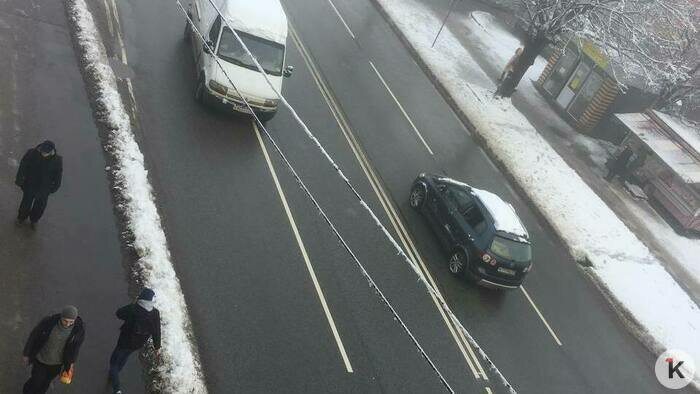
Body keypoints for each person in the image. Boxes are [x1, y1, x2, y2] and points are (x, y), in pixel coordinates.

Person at [22, 306, 85, 394]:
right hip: (41, 359)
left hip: (56, 365)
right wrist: (26, 353)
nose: (67, 324)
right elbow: (34, 336)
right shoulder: (49, 322)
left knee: (45, 383)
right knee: (36, 382)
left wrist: (70, 364)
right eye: (65, 321)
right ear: (61, 317)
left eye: (71, 322)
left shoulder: (78, 330)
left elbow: (75, 348)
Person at [109, 288, 161, 394]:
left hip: (124, 341)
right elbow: (157, 331)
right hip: (138, 344)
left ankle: (117, 389)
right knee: (125, 356)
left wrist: (133, 304)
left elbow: (119, 313)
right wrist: (157, 347)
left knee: (113, 363)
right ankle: (115, 374)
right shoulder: (155, 313)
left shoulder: (133, 308)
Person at [15, 140, 63, 229]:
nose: (43, 153)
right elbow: (23, 166)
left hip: (44, 189)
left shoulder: (57, 161)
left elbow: (58, 176)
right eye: (42, 151)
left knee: (40, 207)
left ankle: (34, 220)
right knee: (25, 203)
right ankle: (21, 218)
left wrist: (53, 188)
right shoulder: (31, 153)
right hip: (29, 185)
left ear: (51, 151)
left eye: (46, 152)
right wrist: (19, 179)